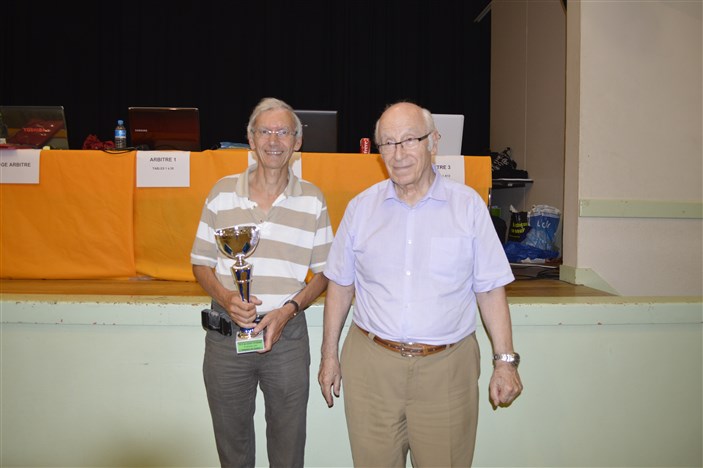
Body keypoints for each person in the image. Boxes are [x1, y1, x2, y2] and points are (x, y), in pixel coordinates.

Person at [318, 101, 523, 467]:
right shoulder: (361, 209)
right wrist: (329, 355)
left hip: (446, 370)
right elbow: (340, 286)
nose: (398, 154)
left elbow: (490, 289)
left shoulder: (468, 208)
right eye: (388, 143)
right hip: (371, 369)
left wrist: (505, 362)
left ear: (433, 142)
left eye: (409, 140)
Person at [191, 97, 333, 468]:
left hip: (287, 338)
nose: (274, 140)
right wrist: (226, 296)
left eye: (283, 132)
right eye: (264, 131)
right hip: (227, 337)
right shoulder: (222, 192)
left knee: (288, 450)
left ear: (297, 142)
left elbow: (325, 273)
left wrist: (288, 311)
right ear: (250, 140)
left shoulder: (313, 199)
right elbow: (200, 263)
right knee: (232, 449)